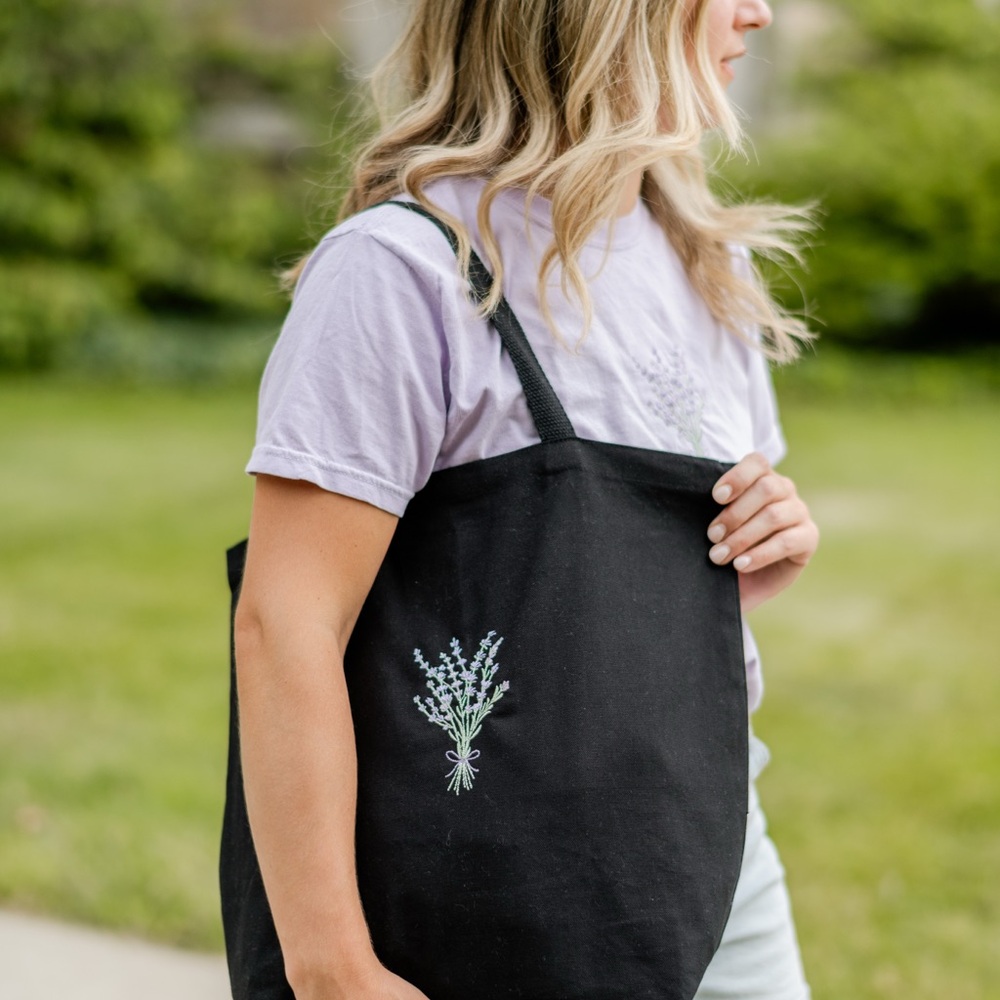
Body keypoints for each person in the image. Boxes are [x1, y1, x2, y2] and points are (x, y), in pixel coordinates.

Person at [222, 1, 820, 998]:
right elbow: (285, 625)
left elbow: (585, 607)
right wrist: (332, 967)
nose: (757, 10)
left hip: (714, 854)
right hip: (483, 887)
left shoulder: (708, 266)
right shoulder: (405, 272)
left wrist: (761, 555)